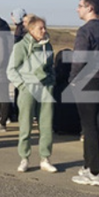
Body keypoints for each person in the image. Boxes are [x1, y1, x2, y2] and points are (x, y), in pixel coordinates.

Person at [69, 0, 99, 187]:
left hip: (89, 80)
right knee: (93, 124)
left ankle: (94, 172)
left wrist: (73, 80)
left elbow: (79, 59)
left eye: (80, 6)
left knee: (89, 127)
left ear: (90, 8)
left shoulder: (86, 31)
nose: (77, 9)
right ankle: (88, 166)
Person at [8, 15, 57, 173]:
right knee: (25, 125)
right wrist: (22, 85)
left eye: (45, 27)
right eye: (40, 28)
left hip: (45, 88)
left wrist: (51, 80)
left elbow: (50, 66)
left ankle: (45, 158)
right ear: (31, 30)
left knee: (46, 125)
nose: (44, 31)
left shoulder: (47, 46)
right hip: (28, 88)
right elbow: (11, 69)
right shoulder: (21, 46)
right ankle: (24, 158)